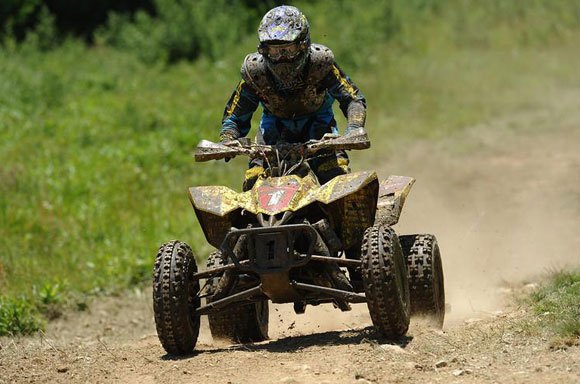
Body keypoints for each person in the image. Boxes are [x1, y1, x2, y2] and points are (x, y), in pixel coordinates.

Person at [220, 5, 367, 190]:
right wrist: (228, 138)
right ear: (263, 50)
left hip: (319, 129)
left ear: (303, 44)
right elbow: (234, 115)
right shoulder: (255, 72)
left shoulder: (320, 63)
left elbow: (352, 98)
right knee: (253, 183)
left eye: (287, 49)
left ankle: (347, 218)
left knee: (336, 180)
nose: (281, 58)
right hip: (272, 133)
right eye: (274, 51)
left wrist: (354, 128)